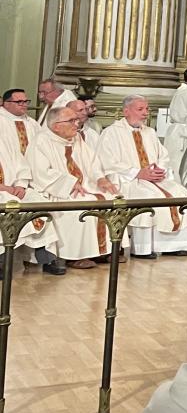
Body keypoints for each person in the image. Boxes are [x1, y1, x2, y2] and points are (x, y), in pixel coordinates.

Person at [99, 96, 187, 258]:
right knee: (148, 197)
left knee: (181, 194)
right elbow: (106, 162)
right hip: (127, 180)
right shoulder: (111, 133)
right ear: (126, 111)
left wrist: (159, 169)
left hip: (155, 179)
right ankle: (142, 248)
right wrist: (138, 173)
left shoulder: (150, 132)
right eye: (140, 109)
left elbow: (163, 156)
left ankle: (172, 245)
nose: (145, 113)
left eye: (147, 109)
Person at [29, 107, 121, 268]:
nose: (77, 124)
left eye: (76, 120)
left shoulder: (77, 138)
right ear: (56, 125)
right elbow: (40, 172)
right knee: (80, 207)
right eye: (71, 121)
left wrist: (101, 179)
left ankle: (103, 252)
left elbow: (92, 162)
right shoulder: (41, 140)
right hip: (57, 190)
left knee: (112, 198)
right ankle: (75, 255)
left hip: (85, 185)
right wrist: (69, 183)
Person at [0, 100, 62, 274]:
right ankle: (1, 261)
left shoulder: (4, 142)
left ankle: (47, 257)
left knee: (38, 202)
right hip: (4, 193)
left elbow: (21, 165)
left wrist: (20, 185)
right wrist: (5, 189)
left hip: (13, 189)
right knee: (8, 204)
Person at [2, 87, 39, 153]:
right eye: (19, 102)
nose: (24, 105)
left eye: (26, 101)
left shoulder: (32, 123)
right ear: (6, 104)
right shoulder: (1, 120)